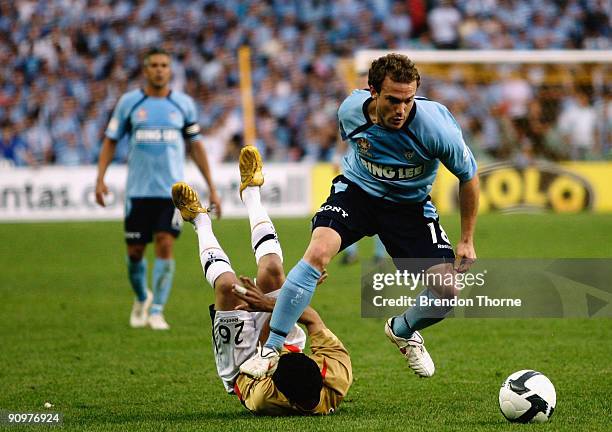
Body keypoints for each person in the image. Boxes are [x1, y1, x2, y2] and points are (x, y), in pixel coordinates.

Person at [241, 53, 479, 379]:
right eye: (393, 100)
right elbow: (355, 144)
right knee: (318, 252)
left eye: (408, 101)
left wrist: (466, 240)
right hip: (357, 193)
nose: (401, 109)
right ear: (373, 92)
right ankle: (270, 350)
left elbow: (470, 176)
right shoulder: (350, 111)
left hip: (409, 207)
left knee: (448, 290)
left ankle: (403, 329)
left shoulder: (437, 129)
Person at [171, 146, 352, 415]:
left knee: (227, 287)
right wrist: (281, 298)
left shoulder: (263, 397)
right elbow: (312, 319)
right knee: (272, 270)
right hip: (283, 349)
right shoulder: (337, 373)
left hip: (243, 366)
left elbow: (257, 361)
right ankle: (251, 191)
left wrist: (265, 306)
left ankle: (199, 220)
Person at [95, 47, 221, 330]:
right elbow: (110, 140)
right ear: (145, 69)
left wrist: (212, 188)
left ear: (170, 69)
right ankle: (142, 297)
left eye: (164, 64)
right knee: (135, 252)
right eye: (154, 65)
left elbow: (196, 146)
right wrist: (100, 178)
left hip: (172, 194)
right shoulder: (130, 103)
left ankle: (157, 310)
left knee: (165, 243)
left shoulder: (183, 105)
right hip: (138, 192)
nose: (159, 69)